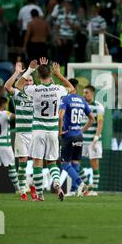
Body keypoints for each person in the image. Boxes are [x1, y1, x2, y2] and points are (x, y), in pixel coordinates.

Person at [15, 58, 75, 201]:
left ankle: (40, 195)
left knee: (37, 162)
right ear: (51, 75)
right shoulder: (58, 89)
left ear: (37, 77)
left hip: (38, 130)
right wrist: (59, 75)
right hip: (53, 130)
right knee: (52, 162)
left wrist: (30, 69)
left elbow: (18, 85)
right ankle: (56, 182)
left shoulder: (34, 89)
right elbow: (72, 89)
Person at [4, 62, 37, 201]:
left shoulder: (38, 95)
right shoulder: (18, 94)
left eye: (31, 80)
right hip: (22, 133)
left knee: (37, 163)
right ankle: (23, 190)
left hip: (35, 133)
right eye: (26, 80)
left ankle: (34, 187)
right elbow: (7, 87)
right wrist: (17, 73)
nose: (28, 83)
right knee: (23, 162)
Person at [59, 79, 95, 197]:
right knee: (75, 163)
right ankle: (74, 190)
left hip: (68, 135)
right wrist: (81, 130)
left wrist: (60, 132)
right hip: (79, 136)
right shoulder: (82, 100)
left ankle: (80, 183)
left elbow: (60, 117)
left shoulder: (65, 99)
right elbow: (92, 119)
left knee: (64, 164)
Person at [78, 85, 105, 196]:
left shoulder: (98, 106)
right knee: (76, 162)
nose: (84, 94)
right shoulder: (80, 105)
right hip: (81, 139)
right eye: (84, 92)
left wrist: (96, 137)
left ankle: (94, 189)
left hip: (93, 140)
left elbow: (100, 123)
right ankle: (87, 185)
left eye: (87, 92)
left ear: (92, 93)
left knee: (94, 164)